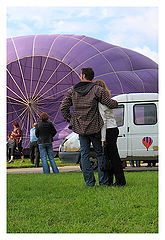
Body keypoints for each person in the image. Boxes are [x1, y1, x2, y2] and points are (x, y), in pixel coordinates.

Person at [60, 67, 118, 187]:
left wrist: (71, 120)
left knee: (85, 154)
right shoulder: (98, 90)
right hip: (95, 127)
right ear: (91, 76)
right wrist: (116, 102)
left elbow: (63, 107)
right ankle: (103, 181)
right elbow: (110, 104)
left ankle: (89, 182)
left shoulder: (73, 91)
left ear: (83, 76)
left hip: (80, 128)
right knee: (100, 153)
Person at [94, 79, 126, 186]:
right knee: (114, 156)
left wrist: (103, 139)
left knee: (110, 157)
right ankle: (116, 180)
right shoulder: (108, 100)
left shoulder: (100, 103)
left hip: (107, 130)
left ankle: (118, 181)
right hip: (114, 128)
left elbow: (103, 122)